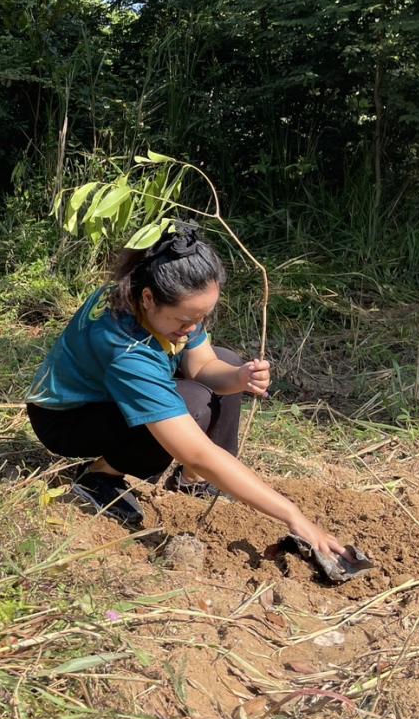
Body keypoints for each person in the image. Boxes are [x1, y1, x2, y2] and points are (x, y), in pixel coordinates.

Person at [26, 224, 345, 559]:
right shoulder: (125, 348)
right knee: (192, 405)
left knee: (227, 359)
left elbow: (204, 365)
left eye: (202, 317)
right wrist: (293, 514)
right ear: (148, 299)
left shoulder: (153, 290)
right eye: (185, 320)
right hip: (66, 419)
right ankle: (99, 477)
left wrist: (239, 377)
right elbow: (196, 451)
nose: (192, 328)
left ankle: (194, 483)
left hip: (109, 396)